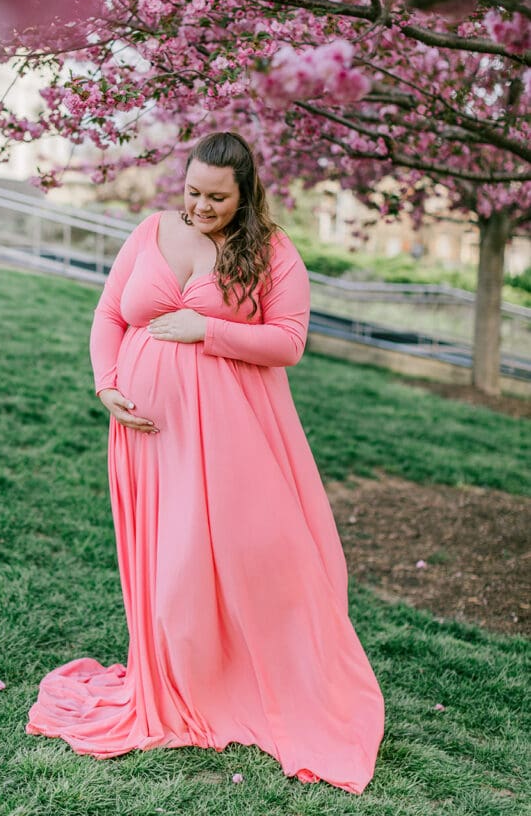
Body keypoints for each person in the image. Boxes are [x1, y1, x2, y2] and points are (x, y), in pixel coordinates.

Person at [26, 132, 384, 794]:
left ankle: (249, 680)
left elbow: (288, 342)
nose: (200, 206)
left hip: (229, 440)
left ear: (245, 193)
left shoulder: (273, 253)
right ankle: (178, 679)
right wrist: (106, 382)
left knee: (235, 560)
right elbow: (110, 314)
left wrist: (207, 331)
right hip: (146, 438)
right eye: (192, 191)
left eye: (216, 197)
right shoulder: (152, 229)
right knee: (165, 564)